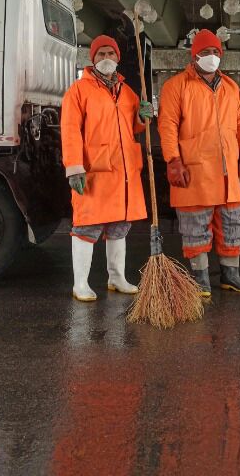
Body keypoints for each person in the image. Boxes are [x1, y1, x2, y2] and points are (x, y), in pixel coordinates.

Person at [157, 29, 240, 297]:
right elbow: (167, 126)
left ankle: (230, 275)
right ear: (194, 55)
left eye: (215, 52)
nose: (211, 57)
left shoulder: (232, 88)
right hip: (194, 170)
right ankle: (199, 277)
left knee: (232, 224)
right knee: (195, 225)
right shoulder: (176, 86)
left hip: (227, 173)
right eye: (205, 52)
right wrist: (173, 160)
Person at [60, 35, 154, 302]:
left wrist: (142, 117)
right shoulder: (78, 91)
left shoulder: (127, 92)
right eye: (100, 54)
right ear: (92, 59)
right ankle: (80, 284)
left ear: (117, 58)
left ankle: (116, 277)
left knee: (119, 227)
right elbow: (70, 131)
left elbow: (134, 126)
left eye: (110, 54)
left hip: (124, 173)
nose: (106, 59)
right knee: (87, 227)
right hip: (93, 171)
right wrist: (74, 168)